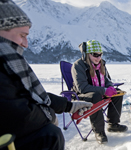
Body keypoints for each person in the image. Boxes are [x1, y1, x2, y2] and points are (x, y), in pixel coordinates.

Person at [0, 0, 93, 150]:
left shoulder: (9, 64)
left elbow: (31, 96)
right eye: (22, 35)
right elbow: (19, 114)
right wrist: (49, 115)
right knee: (50, 134)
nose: (26, 44)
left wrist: (69, 105)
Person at [71, 40, 128, 144]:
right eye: (95, 55)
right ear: (87, 54)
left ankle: (113, 124)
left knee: (117, 93)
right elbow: (82, 88)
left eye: (100, 55)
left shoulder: (101, 64)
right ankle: (99, 132)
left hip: (98, 91)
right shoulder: (78, 65)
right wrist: (104, 90)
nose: (98, 58)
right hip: (81, 95)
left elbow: (107, 80)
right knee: (95, 96)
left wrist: (110, 88)